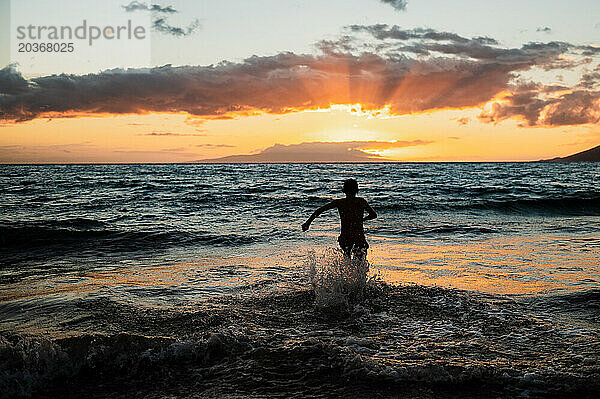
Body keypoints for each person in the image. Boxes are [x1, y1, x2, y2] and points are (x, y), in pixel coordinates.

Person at [302, 178, 377, 258]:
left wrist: (308, 223)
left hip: (345, 236)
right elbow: (373, 215)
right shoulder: (361, 201)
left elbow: (320, 210)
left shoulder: (340, 202)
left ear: (344, 190)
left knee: (347, 259)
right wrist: (362, 219)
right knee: (360, 260)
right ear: (356, 190)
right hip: (358, 236)